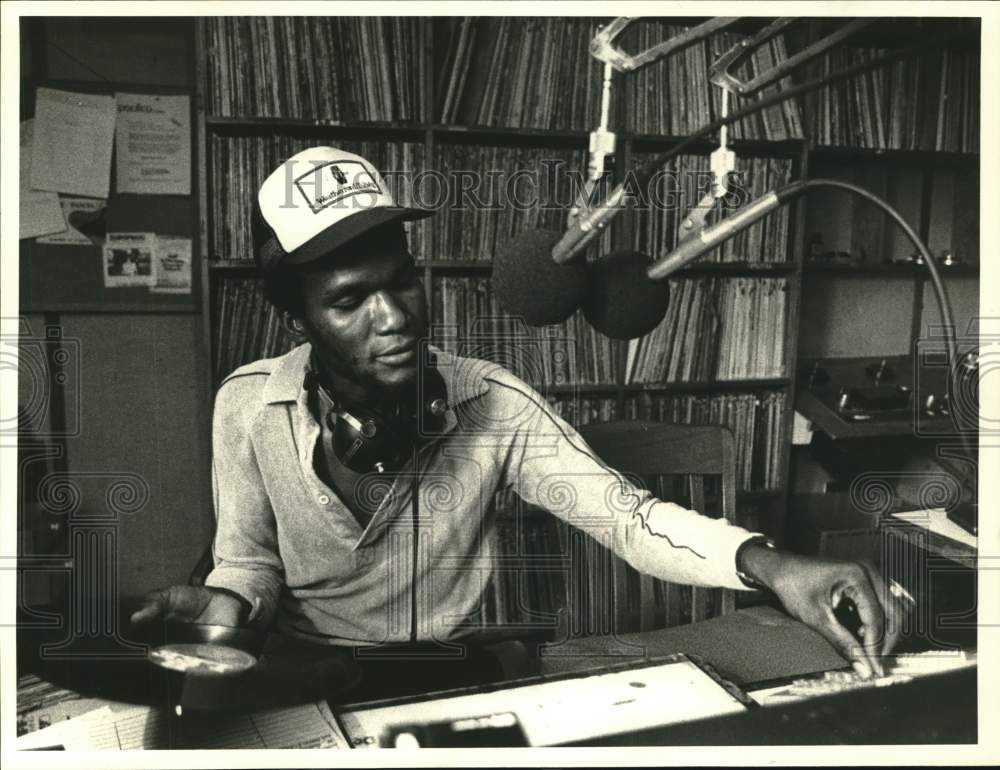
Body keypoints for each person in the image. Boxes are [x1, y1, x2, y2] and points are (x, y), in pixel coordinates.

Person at [132, 146, 903, 699]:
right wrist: (229, 606)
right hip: (299, 675)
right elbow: (248, 563)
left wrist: (776, 566)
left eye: (402, 282)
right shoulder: (244, 403)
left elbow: (628, 519)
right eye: (347, 301)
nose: (393, 317)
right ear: (297, 317)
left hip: (446, 673)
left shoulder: (495, 402)